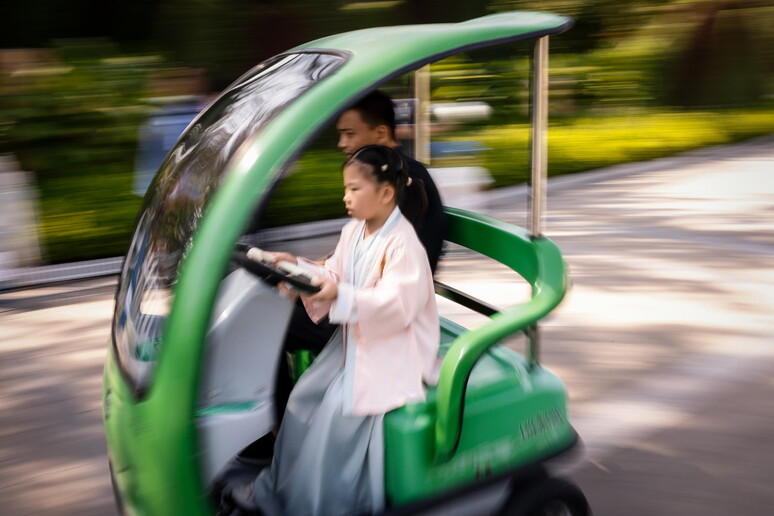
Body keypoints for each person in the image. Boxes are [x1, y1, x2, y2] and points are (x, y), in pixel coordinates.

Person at [233, 145, 440, 516]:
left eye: (354, 189)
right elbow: (333, 274)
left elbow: (397, 306)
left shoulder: (405, 245)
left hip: (393, 353)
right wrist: (296, 268)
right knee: (300, 401)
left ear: (386, 193)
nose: (345, 197)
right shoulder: (355, 231)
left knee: (331, 415)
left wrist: (341, 295)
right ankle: (282, 489)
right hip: (358, 345)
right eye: (345, 188)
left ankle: (317, 504)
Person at [274, 90, 445, 423]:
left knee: (270, 324)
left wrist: (329, 284)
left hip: (385, 319)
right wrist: (299, 267)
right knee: (273, 304)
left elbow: (384, 277)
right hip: (363, 302)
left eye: (349, 133)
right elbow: (348, 259)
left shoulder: (402, 187)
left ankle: (275, 434)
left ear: (381, 134)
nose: (341, 143)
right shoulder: (379, 182)